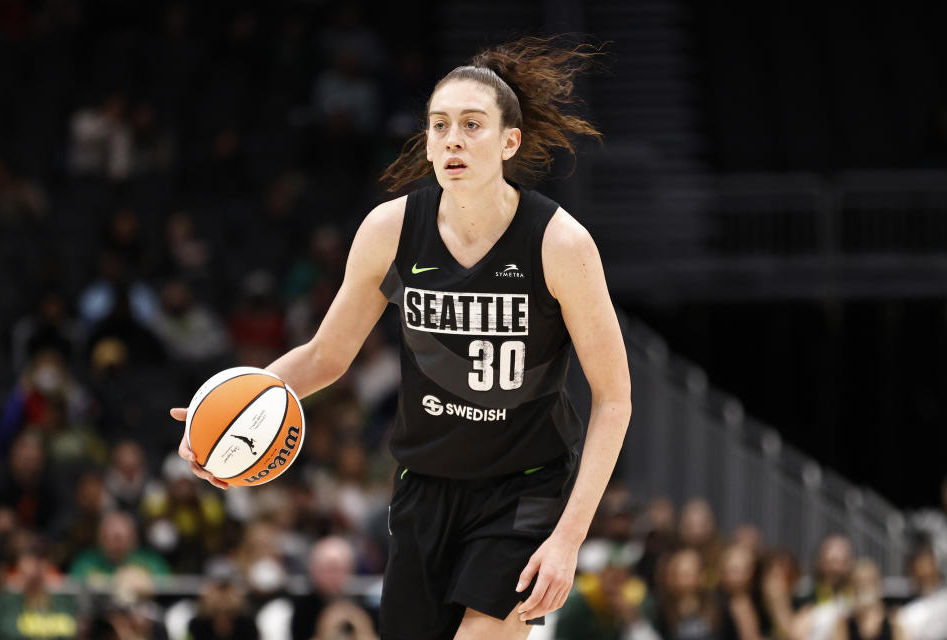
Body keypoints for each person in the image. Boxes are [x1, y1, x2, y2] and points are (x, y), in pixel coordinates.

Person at [172, 35, 633, 640]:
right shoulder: (391, 229)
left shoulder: (560, 243)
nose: (453, 140)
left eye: (472, 125)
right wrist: (223, 416)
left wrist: (569, 537)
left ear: (509, 141)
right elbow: (325, 356)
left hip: (523, 490)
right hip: (423, 487)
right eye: (439, 126)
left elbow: (614, 397)